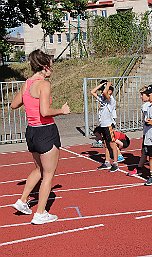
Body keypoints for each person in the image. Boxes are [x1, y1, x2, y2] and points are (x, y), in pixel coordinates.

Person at [11, 49, 70, 224]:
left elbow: (14, 104)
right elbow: (45, 112)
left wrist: (28, 101)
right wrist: (61, 110)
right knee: (48, 174)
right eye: (51, 65)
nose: (52, 68)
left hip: (31, 131)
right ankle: (40, 213)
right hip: (45, 131)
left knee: (39, 170)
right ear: (45, 66)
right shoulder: (44, 84)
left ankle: (22, 201)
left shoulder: (27, 83)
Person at [91, 80, 119, 172]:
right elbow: (92, 92)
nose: (102, 92)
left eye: (106, 90)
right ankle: (107, 162)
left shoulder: (111, 100)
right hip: (102, 125)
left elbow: (104, 92)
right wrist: (101, 85)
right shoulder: (102, 99)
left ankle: (115, 163)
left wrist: (108, 85)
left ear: (109, 91)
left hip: (108, 125)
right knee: (106, 144)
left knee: (112, 144)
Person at [127, 86, 150, 176]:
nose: (140, 97)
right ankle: (140, 167)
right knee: (145, 151)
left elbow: (147, 119)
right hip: (147, 132)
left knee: (147, 151)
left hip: (150, 133)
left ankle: (140, 168)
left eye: (142, 95)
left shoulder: (146, 106)